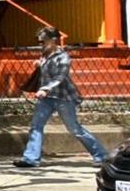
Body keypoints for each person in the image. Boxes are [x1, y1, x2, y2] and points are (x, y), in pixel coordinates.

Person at [14, 27, 109, 167]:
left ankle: (101, 155)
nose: (40, 43)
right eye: (39, 41)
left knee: (74, 129)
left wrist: (45, 89)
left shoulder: (63, 56)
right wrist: (40, 65)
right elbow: (47, 70)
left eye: (43, 40)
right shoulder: (45, 54)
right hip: (46, 98)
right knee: (36, 126)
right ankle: (31, 159)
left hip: (63, 97)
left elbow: (60, 76)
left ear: (53, 40)